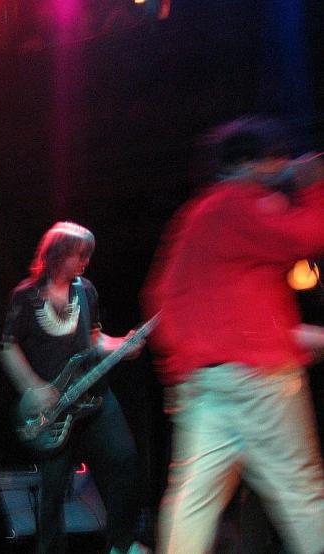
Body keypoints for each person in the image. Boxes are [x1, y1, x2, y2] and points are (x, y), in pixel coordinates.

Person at [142, 116, 324, 554]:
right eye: (274, 158)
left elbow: (161, 298)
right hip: (257, 382)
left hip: (204, 385)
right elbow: (308, 234)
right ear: (246, 163)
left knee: (194, 499)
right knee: (300, 492)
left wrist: (181, 371)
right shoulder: (238, 204)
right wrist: (314, 185)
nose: (282, 166)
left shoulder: (197, 216)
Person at [0, 221, 150, 554]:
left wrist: (122, 345)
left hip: (94, 397)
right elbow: (7, 346)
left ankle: (121, 545)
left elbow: (95, 338)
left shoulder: (87, 290)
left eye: (87, 255)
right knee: (53, 488)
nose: (86, 261)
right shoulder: (25, 296)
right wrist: (33, 387)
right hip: (55, 407)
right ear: (58, 254)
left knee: (126, 462)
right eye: (80, 255)